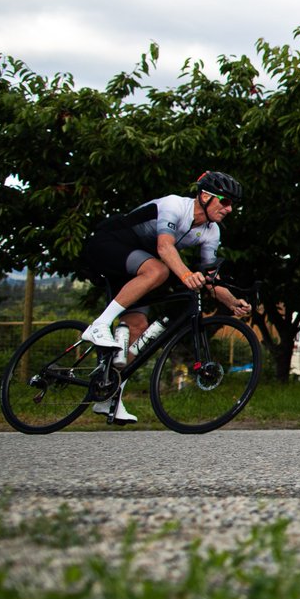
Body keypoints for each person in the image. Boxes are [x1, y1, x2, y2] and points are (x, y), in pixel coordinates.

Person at [80, 171, 252, 423]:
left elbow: (210, 278)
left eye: (232, 204)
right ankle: (99, 325)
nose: (229, 209)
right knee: (159, 269)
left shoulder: (211, 232)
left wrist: (232, 301)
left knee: (137, 327)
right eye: (224, 202)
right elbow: (164, 247)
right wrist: (185, 275)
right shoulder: (175, 206)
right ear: (205, 196)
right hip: (109, 243)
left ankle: (109, 396)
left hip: (136, 265)